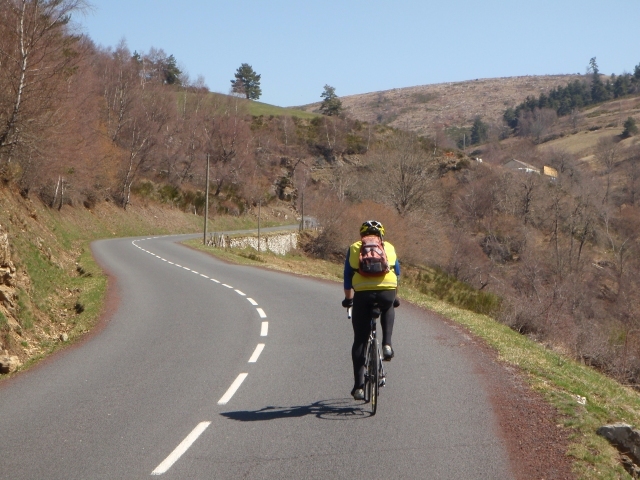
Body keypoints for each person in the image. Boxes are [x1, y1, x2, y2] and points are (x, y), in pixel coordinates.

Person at [342, 220, 400, 401]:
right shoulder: (389, 247)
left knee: (360, 340)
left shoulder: (354, 248)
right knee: (389, 306)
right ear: (381, 235)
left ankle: (359, 387)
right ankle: (387, 344)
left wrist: (348, 299)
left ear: (362, 235)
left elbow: (347, 276)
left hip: (363, 296)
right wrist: (394, 295)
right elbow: (396, 272)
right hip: (387, 291)